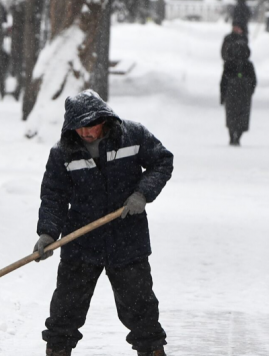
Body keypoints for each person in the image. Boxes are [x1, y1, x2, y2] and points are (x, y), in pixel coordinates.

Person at [34, 89, 174, 356]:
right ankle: (57, 351)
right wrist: (48, 234)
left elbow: (162, 161)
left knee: (140, 307)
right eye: (79, 128)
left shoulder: (132, 135)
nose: (86, 133)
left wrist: (142, 193)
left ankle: (152, 352)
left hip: (127, 238)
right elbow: (54, 195)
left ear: (103, 118)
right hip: (81, 240)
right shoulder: (63, 152)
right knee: (66, 309)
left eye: (91, 126)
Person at [220, 30, 257, 146]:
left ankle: (232, 135)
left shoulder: (229, 64)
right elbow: (254, 80)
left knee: (232, 115)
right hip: (244, 94)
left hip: (231, 93)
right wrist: (250, 91)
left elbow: (223, 81)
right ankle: (238, 135)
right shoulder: (248, 65)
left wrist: (223, 95)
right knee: (242, 115)